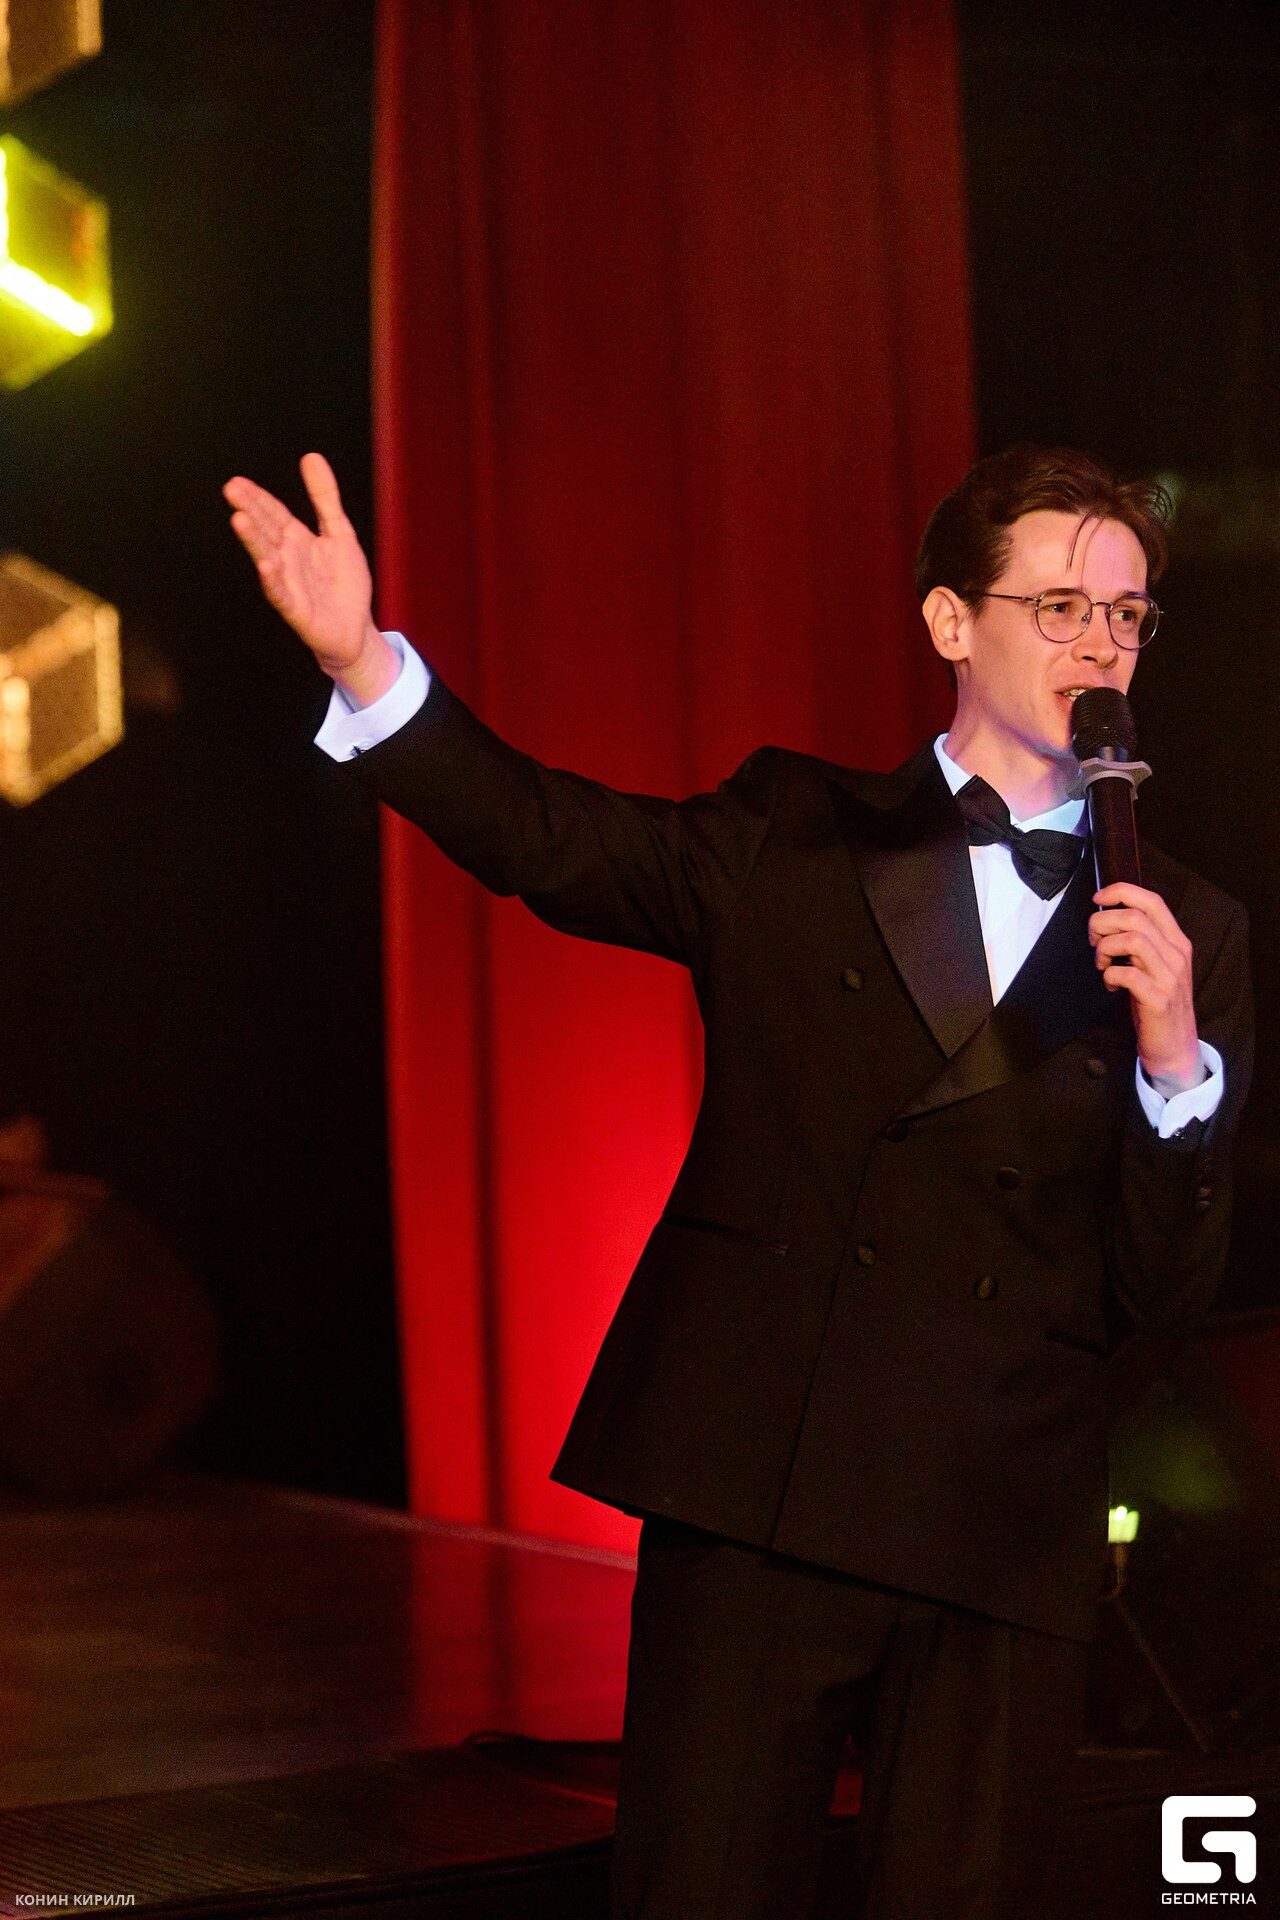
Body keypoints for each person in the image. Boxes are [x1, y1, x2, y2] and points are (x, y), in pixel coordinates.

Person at [225, 444, 1253, 1920]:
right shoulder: (799, 831)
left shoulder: (1186, 926)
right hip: (769, 1487)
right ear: (951, 622)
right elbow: (554, 840)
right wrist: (365, 664)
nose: (1101, 645)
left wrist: (1171, 1065)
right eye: (1060, 606)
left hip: (1002, 1528)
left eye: (1127, 615)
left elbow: (1170, 1290)